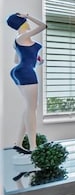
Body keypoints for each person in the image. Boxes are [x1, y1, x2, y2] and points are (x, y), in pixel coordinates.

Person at [6, 13, 46, 160]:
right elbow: (43, 26)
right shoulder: (22, 37)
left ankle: (18, 142)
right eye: (25, 21)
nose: (28, 22)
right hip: (26, 73)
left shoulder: (19, 40)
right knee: (32, 108)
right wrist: (29, 15)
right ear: (22, 23)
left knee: (29, 107)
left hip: (19, 71)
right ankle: (33, 147)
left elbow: (17, 60)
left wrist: (36, 60)